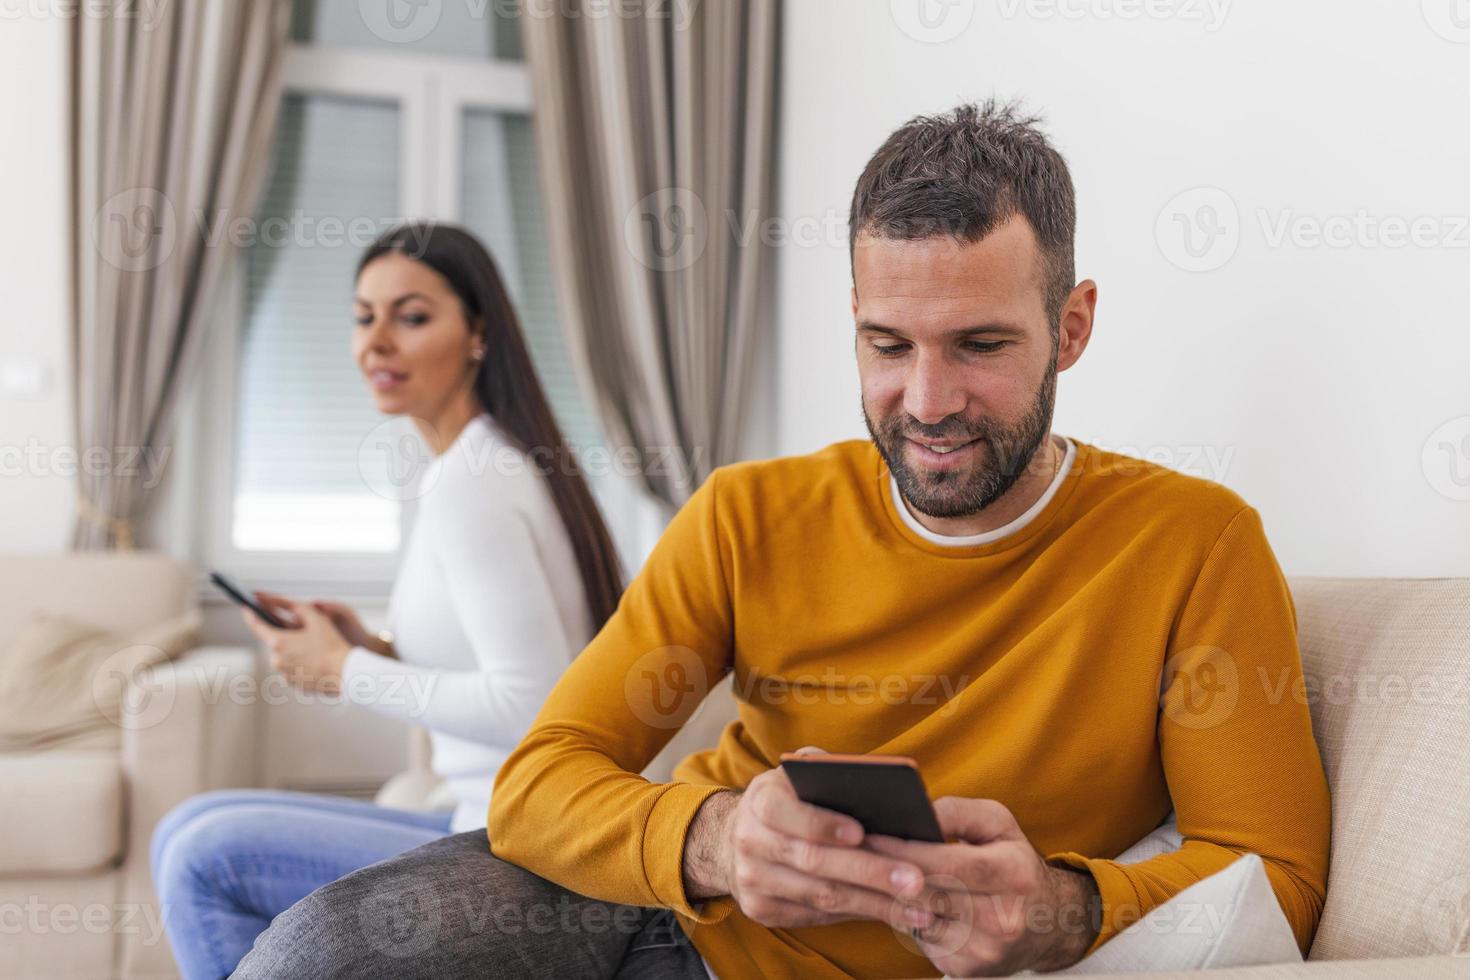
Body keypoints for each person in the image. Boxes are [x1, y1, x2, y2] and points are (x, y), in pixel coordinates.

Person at [234, 102, 1330, 980]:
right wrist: (714, 837)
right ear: (851, 317)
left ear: (1072, 326)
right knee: (314, 952)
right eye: (887, 343)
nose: (928, 399)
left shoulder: (1195, 542)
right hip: (674, 912)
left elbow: (1274, 875)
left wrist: (1062, 908)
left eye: (981, 344)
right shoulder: (746, 512)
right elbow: (539, 779)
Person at [151, 222, 624, 980]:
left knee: (203, 858)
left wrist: (345, 671)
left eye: (410, 316)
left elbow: (532, 704)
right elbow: (503, 658)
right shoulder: (485, 463)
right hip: (486, 817)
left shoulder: (474, 481)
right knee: (188, 823)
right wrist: (370, 647)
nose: (376, 342)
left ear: (478, 335)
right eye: (363, 317)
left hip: (513, 843)